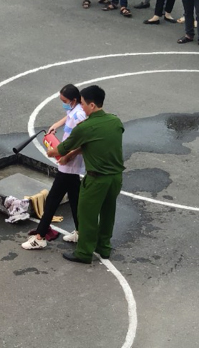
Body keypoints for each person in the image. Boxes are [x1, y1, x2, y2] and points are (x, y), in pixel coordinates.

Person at [54, 85, 124, 263]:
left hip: (96, 178)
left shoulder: (85, 127)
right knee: (108, 213)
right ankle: (104, 247)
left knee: (86, 215)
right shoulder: (115, 122)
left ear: (92, 105)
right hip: (115, 178)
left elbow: (60, 149)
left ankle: (84, 252)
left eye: (83, 104)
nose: (82, 108)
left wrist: (51, 148)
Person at [22, 84, 86, 250]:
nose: (63, 103)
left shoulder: (80, 115)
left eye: (64, 101)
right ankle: (81, 232)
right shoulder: (76, 108)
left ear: (73, 100)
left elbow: (83, 141)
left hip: (68, 164)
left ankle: (40, 236)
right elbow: (68, 115)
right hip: (69, 163)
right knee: (75, 199)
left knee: (52, 200)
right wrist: (57, 124)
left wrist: (67, 156)